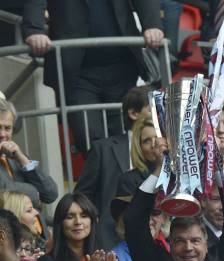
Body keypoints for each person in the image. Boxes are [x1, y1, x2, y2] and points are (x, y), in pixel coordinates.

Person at [22, 0, 163, 154]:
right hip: (77, 73)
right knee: (89, 138)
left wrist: (152, 25)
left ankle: (120, 177)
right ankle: (110, 176)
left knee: (123, 135)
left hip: (122, 66)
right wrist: (34, 30)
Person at [75, 85, 152, 250]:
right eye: (153, 107)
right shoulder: (103, 149)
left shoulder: (165, 148)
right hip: (110, 240)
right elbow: (83, 195)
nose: (161, 113)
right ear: (133, 113)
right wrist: (95, 227)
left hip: (154, 236)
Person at [0, 97, 58, 207]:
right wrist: (34, 192)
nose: (3, 134)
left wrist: (23, 160)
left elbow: (50, 194)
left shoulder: (16, 156)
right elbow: (3, 192)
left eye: (7, 128)